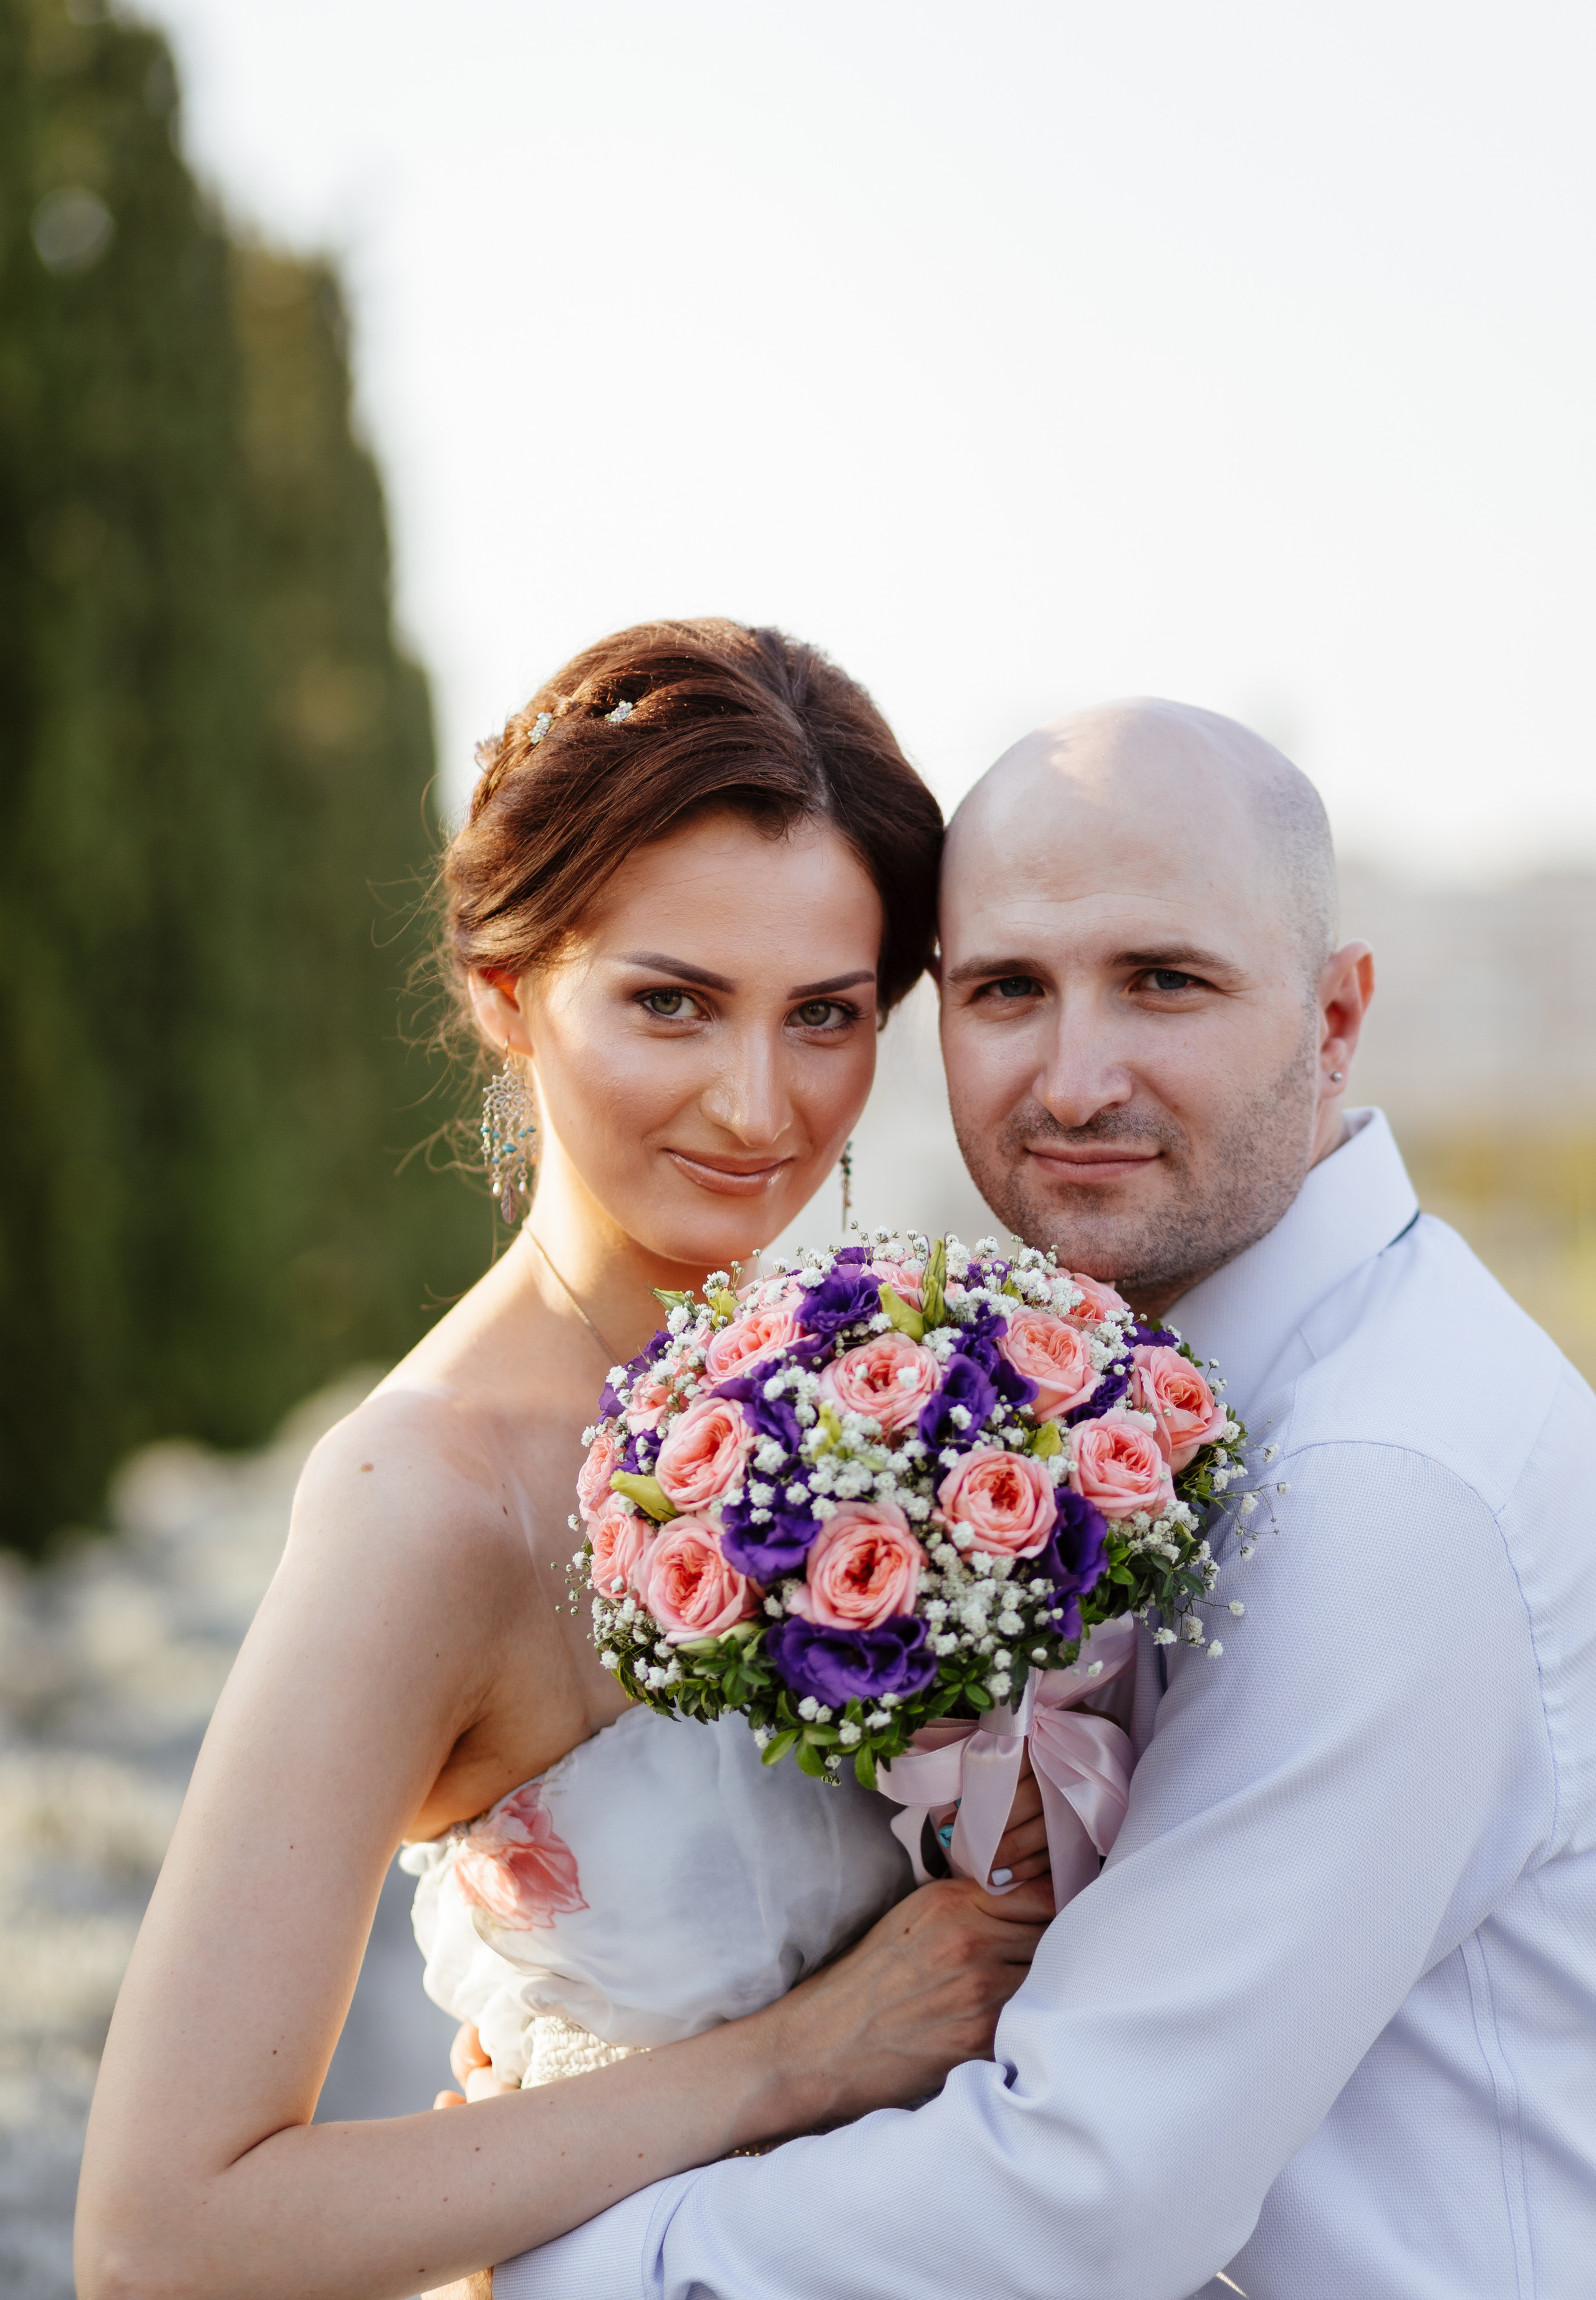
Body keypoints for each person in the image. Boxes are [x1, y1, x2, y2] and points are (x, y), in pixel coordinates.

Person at [494, 699, 1596, 2299]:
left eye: (1164, 980)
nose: (1074, 1083)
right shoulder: (1117, 1399)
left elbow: (1084, 2191)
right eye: (1006, 989)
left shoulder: (1377, 1490)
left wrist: (555, 2253)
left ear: (1335, 1018)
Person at [73, 622, 1052, 2300]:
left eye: (825, 1014)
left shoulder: (897, 1398)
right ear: (507, 991)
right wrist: (796, 2059)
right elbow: (164, 2233)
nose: (760, 1107)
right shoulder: (429, 1498)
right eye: (673, 1004)